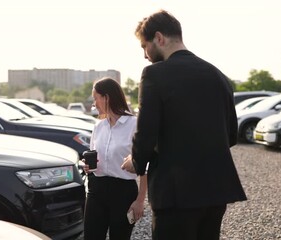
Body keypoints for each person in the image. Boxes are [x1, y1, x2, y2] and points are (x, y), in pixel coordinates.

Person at [121, 9, 247, 240]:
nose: (145, 55)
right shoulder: (218, 75)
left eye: (144, 46)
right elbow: (231, 136)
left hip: (175, 194)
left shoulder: (154, 74)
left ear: (159, 38)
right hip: (216, 191)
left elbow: (146, 132)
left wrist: (136, 161)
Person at [83, 77, 147, 240]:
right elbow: (95, 159)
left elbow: (146, 165)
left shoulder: (134, 125)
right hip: (96, 189)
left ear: (106, 98)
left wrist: (140, 200)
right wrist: (88, 167)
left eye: (95, 98)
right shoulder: (98, 126)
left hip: (123, 192)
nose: (94, 104)